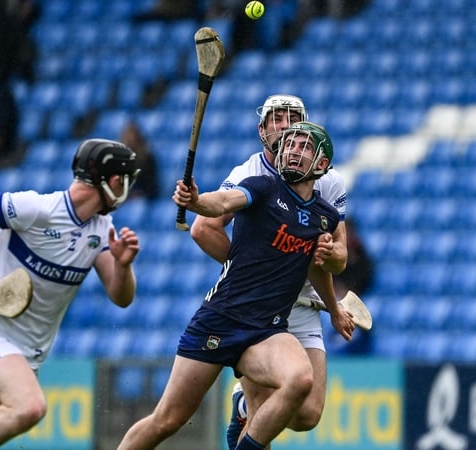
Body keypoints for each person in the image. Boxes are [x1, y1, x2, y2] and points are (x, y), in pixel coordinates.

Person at [118, 121, 355, 450]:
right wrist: (198, 200)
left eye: (303, 147)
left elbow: (320, 268)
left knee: (300, 380)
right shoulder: (263, 186)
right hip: (221, 319)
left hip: (267, 330)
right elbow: (225, 202)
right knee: (167, 419)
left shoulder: (324, 216)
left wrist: (333, 304)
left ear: (322, 165)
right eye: (290, 144)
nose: (292, 150)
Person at [0, 139, 140, 450]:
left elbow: (121, 298)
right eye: (127, 181)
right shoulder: (37, 209)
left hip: (25, 352)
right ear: (114, 181)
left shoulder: (100, 230)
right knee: (30, 407)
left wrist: (122, 266)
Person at [189, 95, 348, 449]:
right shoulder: (250, 174)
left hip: (304, 301)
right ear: (262, 131)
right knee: (266, 408)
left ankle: (243, 404)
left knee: (307, 415)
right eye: (276, 119)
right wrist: (264, 271)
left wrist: (331, 273)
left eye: (293, 119)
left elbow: (339, 257)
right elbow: (203, 228)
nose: (285, 126)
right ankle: (249, 406)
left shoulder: (330, 181)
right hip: (260, 304)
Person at [118, 120, 159, 201]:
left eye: (132, 135)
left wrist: (140, 193)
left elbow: (151, 184)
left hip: (143, 197)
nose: (130, 139)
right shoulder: (118, 158)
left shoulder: (147, 158)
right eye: (127, 136)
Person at [333, 218, 374, 298]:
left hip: (355, 294)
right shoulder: (333, 251)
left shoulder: (360, 254)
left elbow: (366, 277)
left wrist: (350, 290)